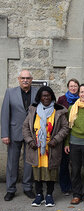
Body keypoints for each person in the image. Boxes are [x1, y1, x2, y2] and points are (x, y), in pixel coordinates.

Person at [22, 86, 69, 207]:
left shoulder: (58, 110)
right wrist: (30, 141)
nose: (46, 98)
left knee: (51, 172)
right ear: (40, 97)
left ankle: (49, 195)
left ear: (52, 96)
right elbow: (26, 127)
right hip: (36, 147)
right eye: (43, 96)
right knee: (37, 172)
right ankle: (39, 195)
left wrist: (56, 140)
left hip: (51, 147)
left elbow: (65, 128)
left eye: (48, 95)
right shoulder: (33, 110)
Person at [1, 70, 38, 201]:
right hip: (14, 132)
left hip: (31, 134)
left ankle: (28, 187)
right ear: (18, 79)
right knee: (12, 162)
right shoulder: (10, 93)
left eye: (28, 78)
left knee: (29, 162)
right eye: (23, 78)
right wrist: (5, 134)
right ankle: (10, 189)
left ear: (31, 79)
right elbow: (5, 114)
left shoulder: (36, 93)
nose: (25, 80)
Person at [57, 78, 79, 195]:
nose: (73, 88)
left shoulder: (81, 99)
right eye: (71, 86)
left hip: (76, 133)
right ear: (68, 87)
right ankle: (65, 187)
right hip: (64, 132)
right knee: (64, 163)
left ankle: (76, 185)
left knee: (75, 163)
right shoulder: (62, 99)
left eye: (75, 86)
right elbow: (57, 115)